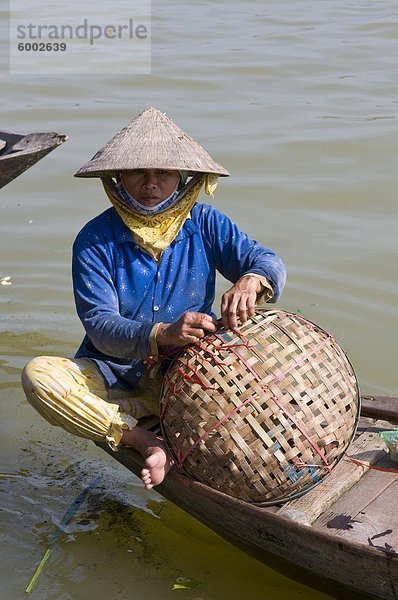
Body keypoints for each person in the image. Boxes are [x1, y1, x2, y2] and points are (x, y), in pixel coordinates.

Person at [22, 107, 286, 490]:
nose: (151, 184)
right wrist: (161, 331)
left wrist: (251, 280)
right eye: (138, 173)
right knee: (39, 378)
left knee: (264, 389)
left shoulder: (205, 222)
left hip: (190, 374)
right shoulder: (95, 240)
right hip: (114, 377)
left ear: (181, 178)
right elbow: (99, 325)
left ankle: (175, 423)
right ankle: (142, 439)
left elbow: (266, 260)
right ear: (117, 179)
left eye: (162, 173)